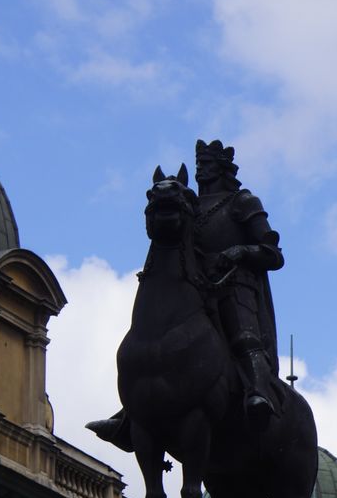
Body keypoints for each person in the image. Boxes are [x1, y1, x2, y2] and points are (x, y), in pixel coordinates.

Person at [87, 139, 285, 451]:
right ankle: (130, 413)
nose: (202, 172)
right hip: (196, 286)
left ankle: (258, 395)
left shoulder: (242, 202)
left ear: (222, 169)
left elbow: (273, 255)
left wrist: (240, 250)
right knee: (154, 337)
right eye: (199, 166)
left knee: (243, 338)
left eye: (207, 166)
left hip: (235, 286)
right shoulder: (192, 205)